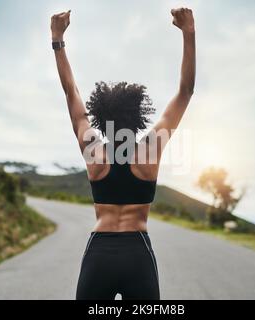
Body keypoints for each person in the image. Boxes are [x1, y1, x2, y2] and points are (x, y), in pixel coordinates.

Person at [51, 7, 195, 300]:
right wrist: (188, 33)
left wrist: (57, 39)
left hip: (100, 252)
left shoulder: (94, 151)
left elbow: (72, 94)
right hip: (136, 252)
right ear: (138, 115)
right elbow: (185, 91)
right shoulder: (149, 151)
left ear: (102, 118)